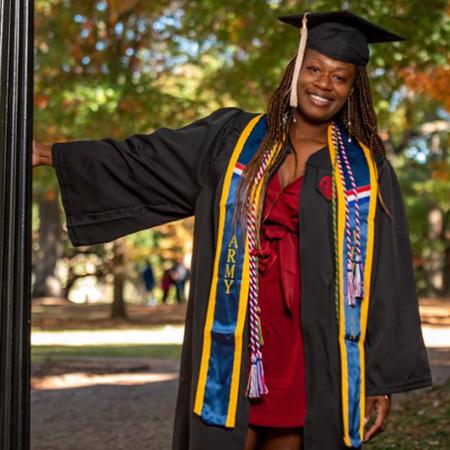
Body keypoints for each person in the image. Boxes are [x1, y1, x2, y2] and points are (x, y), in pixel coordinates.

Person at [33, 10, 432, 450]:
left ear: (353, 89)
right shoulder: (236, 139)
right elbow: (148, 158)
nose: (324, 84)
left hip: (313, 349)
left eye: (340, 77)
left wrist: (380, 379)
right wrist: (51, 154)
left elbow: (387, 278)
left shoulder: (365, 170)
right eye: (314, 69)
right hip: (234, 334)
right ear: (295, 70)